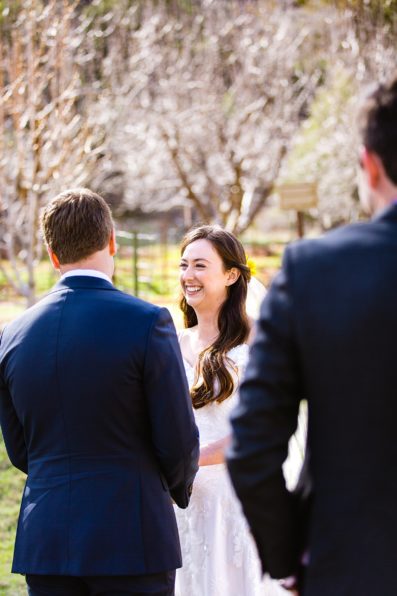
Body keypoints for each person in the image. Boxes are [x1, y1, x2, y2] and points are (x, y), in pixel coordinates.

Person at [226, 74, 397, 596]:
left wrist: (290, 558)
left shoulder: (313, 272)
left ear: (369, 164)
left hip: (353, 569)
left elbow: (252, 445)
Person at [0, 188, 199, 596]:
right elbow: (177, 438)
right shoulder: (147, 322)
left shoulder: (11, 336)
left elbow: (20, 451)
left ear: (53, 256)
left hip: (48, 541)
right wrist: (177, 491)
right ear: (112, 242)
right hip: (132, 537)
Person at [174, 224, 286, 596]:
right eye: (184, 265)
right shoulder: (172, 342)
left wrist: (191, 459)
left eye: (200, 266)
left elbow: (263, 426)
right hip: (183, 501)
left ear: (232, 274)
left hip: (234, 498)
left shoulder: (259, 339)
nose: (188, 276)